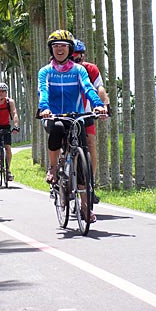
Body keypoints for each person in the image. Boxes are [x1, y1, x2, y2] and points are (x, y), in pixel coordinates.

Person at [37, 29, 107, 222]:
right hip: (54, 116)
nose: (60, 49)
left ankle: (85, 208)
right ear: (51, 49)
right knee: (58, 127)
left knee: (84, 156)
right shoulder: (46, 71)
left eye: (64, 46)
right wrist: (44, 109)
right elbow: (43, 91)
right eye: (56, 46)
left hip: (77, 116)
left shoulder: (79, 70)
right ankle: (52, 167)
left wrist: (98, 105)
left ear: (70, 50)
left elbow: (88, 88)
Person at [71, 39, 109, 203]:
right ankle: (63, 175)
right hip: (66, 113)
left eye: (78, 58)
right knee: (64, 142)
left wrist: (104, 105)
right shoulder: (58, 71)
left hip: (85, 114)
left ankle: (89, 184)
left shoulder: (91, 69)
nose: (76, 61)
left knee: (91, 144)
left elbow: (99, 88)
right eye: (72, 58)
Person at [0, 82, 20, 181]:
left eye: (3, 91)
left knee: (8, 148)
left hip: (5, 126)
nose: (0, 93)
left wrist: (16, 126)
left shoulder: (9, 102)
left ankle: (8, 170)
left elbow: (14, 113)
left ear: (6, 93)